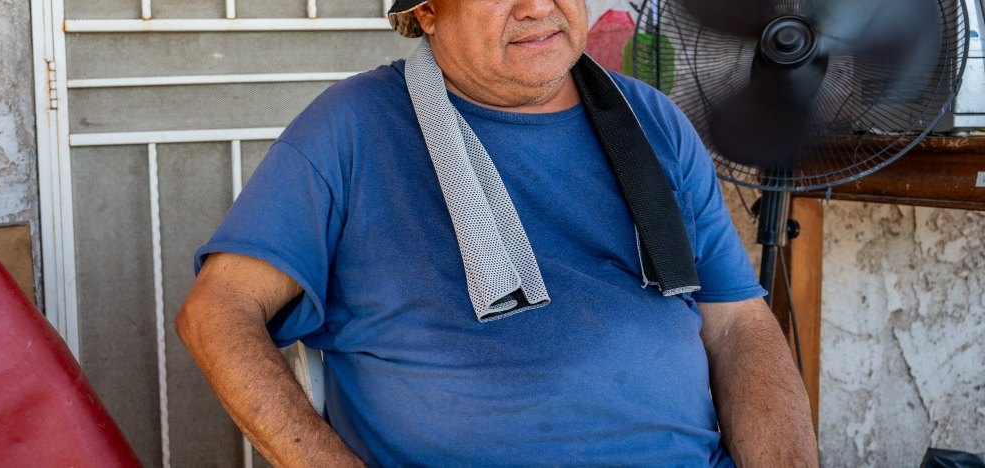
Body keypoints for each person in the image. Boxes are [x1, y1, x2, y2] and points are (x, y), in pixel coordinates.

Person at [174, 0, 818, 465]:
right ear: (426, 12)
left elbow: (738, 326)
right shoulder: (355, 127)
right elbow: (217, 311)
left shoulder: (650, 121)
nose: (538, 7)